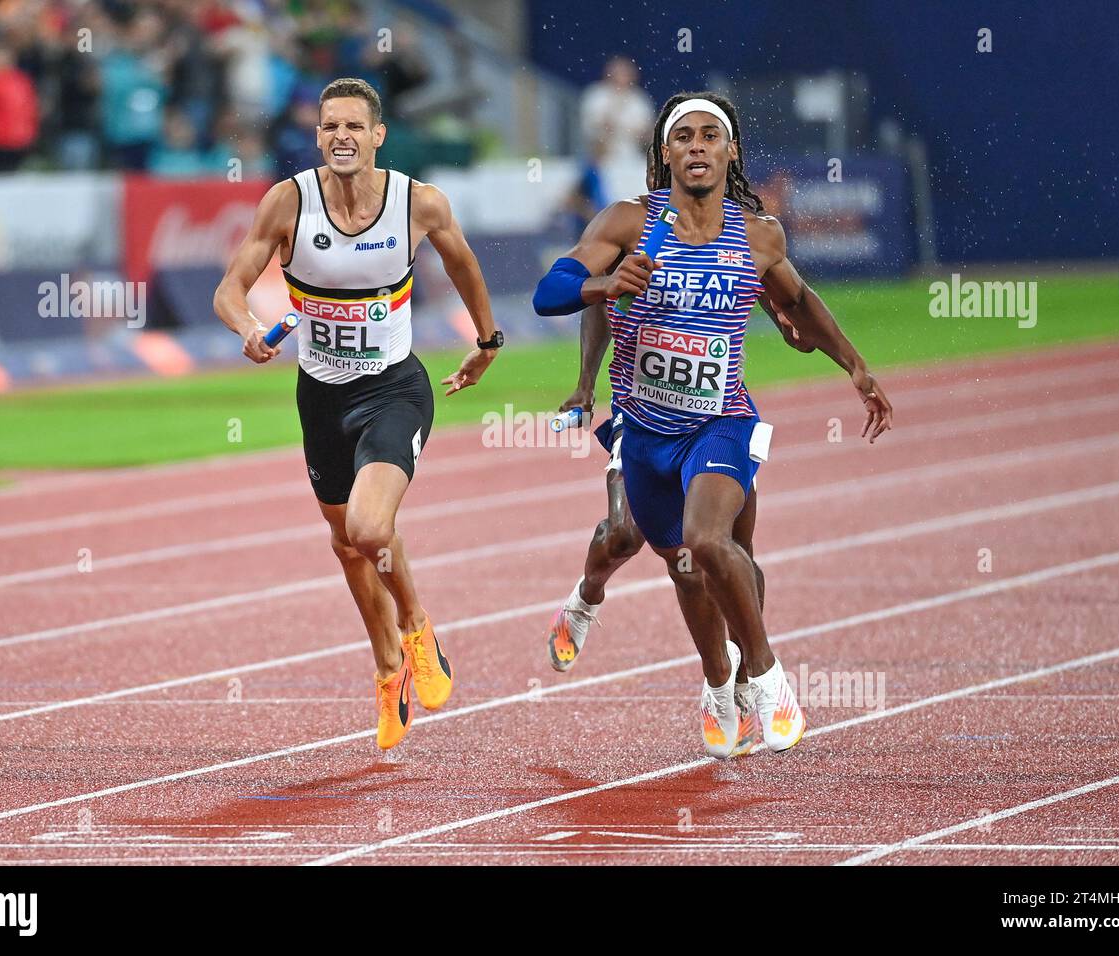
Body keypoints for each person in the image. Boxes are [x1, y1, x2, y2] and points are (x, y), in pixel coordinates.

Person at [533, 91, 893, 759]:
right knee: (679, 562)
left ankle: (767, 676)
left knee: (714, 540)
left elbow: (799, 300)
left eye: (710, 137)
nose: (696, 147)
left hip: (721, 420)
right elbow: (550, 291)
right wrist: (600, 291)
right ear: (663, 152)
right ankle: (712, 682)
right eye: (683, 138)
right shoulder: (628, 224)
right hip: (643, 431)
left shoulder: (759, 235)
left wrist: (855, 366)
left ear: (730, 152)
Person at [214, 77, 503, 751]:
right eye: (329, 126)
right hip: (320, 396)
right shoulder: (287, 203)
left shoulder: (417, 203)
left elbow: (464, 265)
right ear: (318, 136)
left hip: (393, 388)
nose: (340, 137)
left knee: (373, 528)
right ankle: (385, 668)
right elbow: (230, 287)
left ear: (377, 136)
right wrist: (247, 328)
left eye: (354, 127)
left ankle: (416, 624)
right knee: (347, 544)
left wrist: (487, 341)